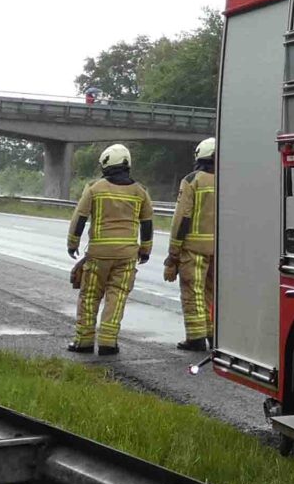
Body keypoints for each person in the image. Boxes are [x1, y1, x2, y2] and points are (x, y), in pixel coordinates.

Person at [66, 142, 153, 357]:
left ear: (105, 163)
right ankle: (108, 343)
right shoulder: (140, 191)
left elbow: (80, 218)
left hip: (98, 255)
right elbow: (148, 223)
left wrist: (73, 243)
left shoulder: (95, 188)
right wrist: (146, 250)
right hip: (126, 256)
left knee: (89, 297)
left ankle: (83, 341)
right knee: (117, 297)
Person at [166, 136, 219, 352]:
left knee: (193, 292)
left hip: (194, 248)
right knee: (212, 294)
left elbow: (182, 219)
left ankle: (196, 338)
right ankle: (214, 335)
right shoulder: (227, 179)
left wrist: (173, 253)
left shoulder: (192, 180)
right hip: (221, 248)